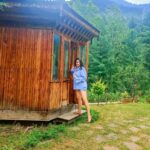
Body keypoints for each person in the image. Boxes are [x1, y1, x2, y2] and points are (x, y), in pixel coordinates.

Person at [70, 58, 92, 123]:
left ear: (80, 63)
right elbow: (71, 71)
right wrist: (72, 68)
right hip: (77, 86)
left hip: (82, 85)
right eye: (76, 62)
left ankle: (89, 116)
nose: (77, 63)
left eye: (78, 62)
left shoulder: (82, 69)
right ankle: (79, 111)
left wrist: (76, 79)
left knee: (84, 100)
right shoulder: (75, 69)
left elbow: (84, 78)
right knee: (78, 98)